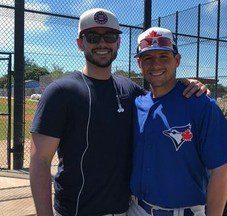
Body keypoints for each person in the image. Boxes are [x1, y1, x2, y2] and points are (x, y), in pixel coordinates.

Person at [29, 9, 208, 216]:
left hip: (125, 210)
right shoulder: (61, 91)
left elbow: (161, 94)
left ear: (118, 43)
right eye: (93, 37)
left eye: (110, 36)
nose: (102, 44)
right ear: (80, 43)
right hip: (76, 211)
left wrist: (185, 83)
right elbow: (40, 161)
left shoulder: (130, 90)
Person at [129, 27, 227, 216]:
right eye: (148, 58)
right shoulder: (137, 103)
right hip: (136, 208)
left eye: (164, 57)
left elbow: (221, 170)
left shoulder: (201, 103)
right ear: (139, 64)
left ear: (177, 60)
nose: (156, 64)